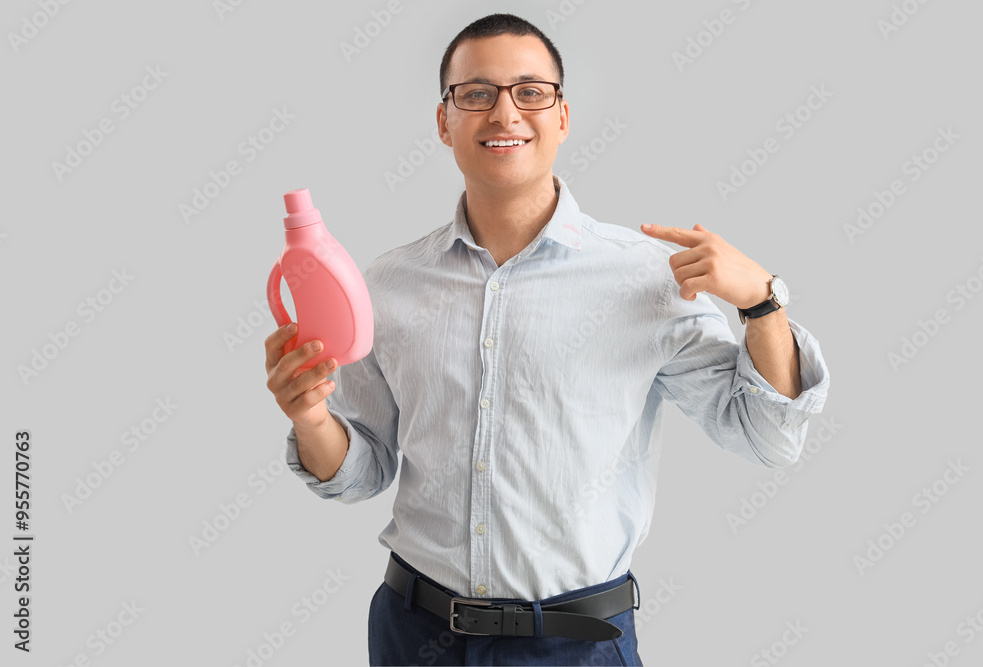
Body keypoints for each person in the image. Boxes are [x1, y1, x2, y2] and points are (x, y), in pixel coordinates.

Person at [264, 12, 830, 667]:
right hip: (414, 633)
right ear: (443, 120)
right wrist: (310, 416)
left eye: (530, 91)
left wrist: (763, 303)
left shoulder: (649, 277)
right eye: (476, 93)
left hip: (575, 644)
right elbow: (362, 471)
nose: (504, 113)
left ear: (561, 116)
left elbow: (769, 436)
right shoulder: (389, 283)